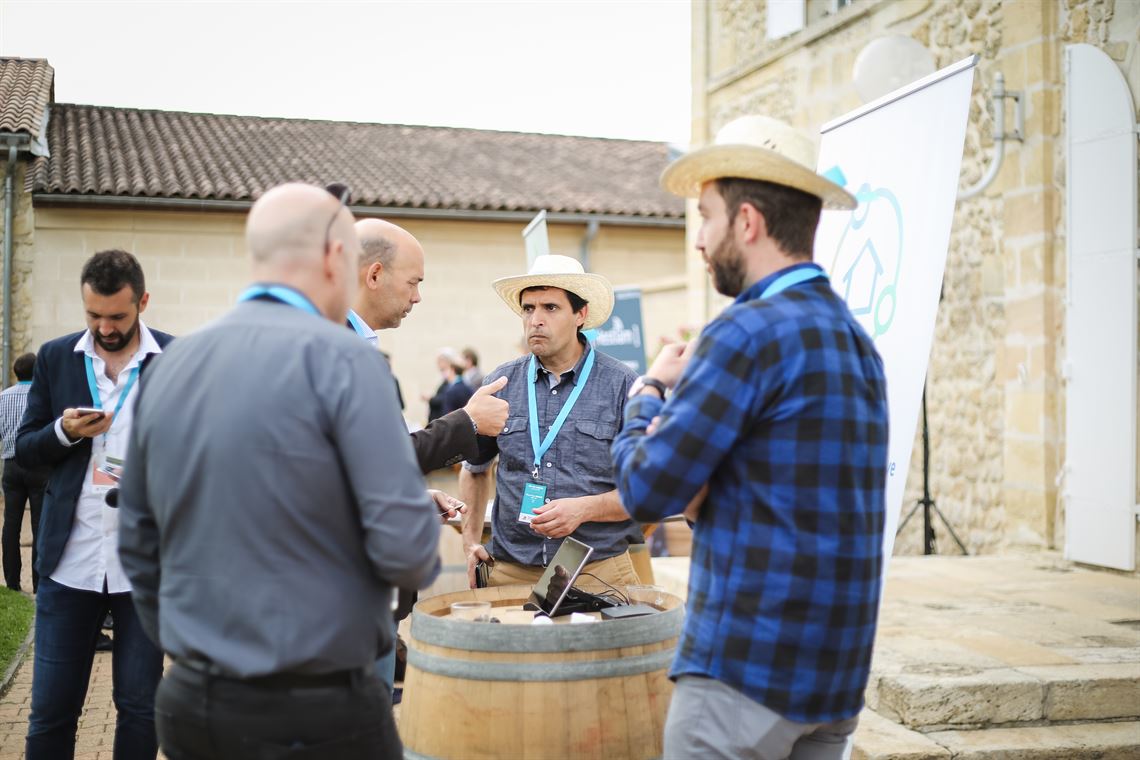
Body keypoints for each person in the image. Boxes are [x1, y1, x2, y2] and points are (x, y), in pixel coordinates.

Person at [117, 182, 440, 759]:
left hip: (195, 700)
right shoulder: (350, 362)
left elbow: (138, 540)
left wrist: (191, 644)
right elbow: (408, 550)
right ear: (335, 257)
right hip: (317, 705)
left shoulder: (170, 365)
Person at [610, 115, 889, 759]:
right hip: (835, 678)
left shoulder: (744, 332)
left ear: (747, 221)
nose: (699, 240)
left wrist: (647, 391)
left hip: (745, 673)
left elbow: (646, 490)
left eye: (706, 217)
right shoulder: (858, 344)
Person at [16, 250, 172, 759]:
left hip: (146, 569)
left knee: (141, 709)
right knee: (50, 712)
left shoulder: (178, 360)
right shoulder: (56, 357)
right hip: (70, 563)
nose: (105, 328)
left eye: (117, 316)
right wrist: (63, 431)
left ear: (142, 302)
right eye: (94, 315)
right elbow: (25, 448)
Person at [459, 254, 643, 591]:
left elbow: (647, 489)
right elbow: (474, 468)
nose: (535, 320)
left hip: (597, 571)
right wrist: (470, 542)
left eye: (550, 308)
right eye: (528, 309)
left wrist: (584, 509)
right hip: (511, 570)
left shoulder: (623, 385)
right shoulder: (501, 383)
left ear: (580, 314)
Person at [351, 217, 508, 472]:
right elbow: (385, 456)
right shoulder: (336, 350)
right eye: (412, 283)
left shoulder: (355, 343)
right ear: (375, 275)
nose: (417, 297)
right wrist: (469, 421)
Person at [0, 352, 47, 592]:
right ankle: (38, 582)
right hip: (39, 466)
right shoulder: (44, 397)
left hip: (11, 465)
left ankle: (12, 582)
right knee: (40, 524)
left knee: (11, 524)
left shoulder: (2, 398)